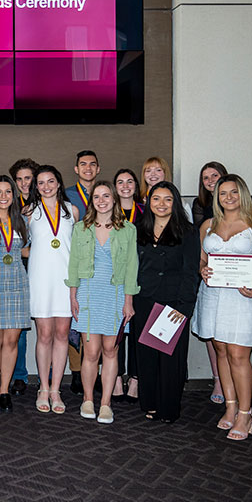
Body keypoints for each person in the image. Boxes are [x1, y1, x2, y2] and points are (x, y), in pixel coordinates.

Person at [192, 174, 252, 441]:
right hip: (214, 296)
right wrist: (203, 270)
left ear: (243, 194)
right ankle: (230, 406)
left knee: (238, 354)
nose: (228, 198)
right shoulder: (208, 225)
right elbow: (202, 259)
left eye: (234, 192)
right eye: (223, 193)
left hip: (243, 297)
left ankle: (246, 413)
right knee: (221, 351)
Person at [66, 181, 139, 425]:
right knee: (91, 352)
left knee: (111, 350)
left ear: (114, 198)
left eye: (106, 195)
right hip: (87, 295)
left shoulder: (128, 230)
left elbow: (131, 268)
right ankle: (88, 399)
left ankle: (106, 403)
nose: (101, 200)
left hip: (116, 295)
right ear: (92, 201)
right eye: (97, 196)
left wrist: (129, 301)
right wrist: (73, 295)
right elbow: (73, 264)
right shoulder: (81, 228)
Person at [132, 182, 200, 422]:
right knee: (147, 357)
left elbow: (191, 271)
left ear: (176, 202)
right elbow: (132, 267)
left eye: (167, 199)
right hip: (144, 300)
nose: (161, 204)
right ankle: (150, 403)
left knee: (171, 359)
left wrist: (184, 307)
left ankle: (169, 407)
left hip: (173, 303)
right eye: (156, 198)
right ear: (148, 202)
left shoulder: (188, 231)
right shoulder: (137, 229)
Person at [26, 165, 78, 414]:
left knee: (62, 334)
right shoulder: (29, 212)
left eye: (50, 181)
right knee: (44, 334)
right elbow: (21, 247)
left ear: (59, 183)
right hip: (40, 279)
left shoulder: (73, 211)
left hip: (65, 280)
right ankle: (43, 388)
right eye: (41, 183)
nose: (46, 186)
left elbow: (77, 249)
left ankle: (56, 389)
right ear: (36, 187)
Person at [0, 175, 31, 414]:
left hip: (17, 284)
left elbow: (26, 249)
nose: (3, 196)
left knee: (11, 341)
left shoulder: (21, 220)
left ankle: (5, 390)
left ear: (14, 195)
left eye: (8, 192)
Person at [190, 160, 229, 404]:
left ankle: (233, 381)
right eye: (206, 178)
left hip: (238, 280)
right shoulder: (200, 206)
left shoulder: (244, 207)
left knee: (232, 335)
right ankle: (217, 378)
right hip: (211, 278)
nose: (211, 181)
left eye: (215, 175)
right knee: (212, 332)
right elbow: (198, 243)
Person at [64, 150, 100, 393]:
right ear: (76, 169)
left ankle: (95, 371)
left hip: (102, 266)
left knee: (96, 320)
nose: (88, 168)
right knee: (75, 319)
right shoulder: (66, 195)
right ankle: (76, 372)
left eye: (92, 164)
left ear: (98, 169)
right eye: (83, 164)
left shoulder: (106, 194)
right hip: (74, 264)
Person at [4, 158, 40, 394]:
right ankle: (18, 375)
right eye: (19, 179)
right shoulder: (10, 205)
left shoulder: (49, 203)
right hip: (18, 268)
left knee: (44, 327)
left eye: (28, 178)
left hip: (42, 269)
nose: (24, 183)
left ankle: (44, 378)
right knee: (19, 326)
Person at [111, 167, 144, 402]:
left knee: (138, 331)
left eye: (129, 181)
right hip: (112, 280)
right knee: (115, 330)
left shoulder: (146, 212)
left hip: (140, 279)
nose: (125, 186)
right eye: (120, 182)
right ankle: (115, 378)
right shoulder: (107, 212)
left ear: (136, 185)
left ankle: (135, 378)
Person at [191, 161, 227, 225]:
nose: (210, 180)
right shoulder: (199, 203)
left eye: (215, 175)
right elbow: (199, 230)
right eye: (206, 178)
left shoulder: (236, 199)